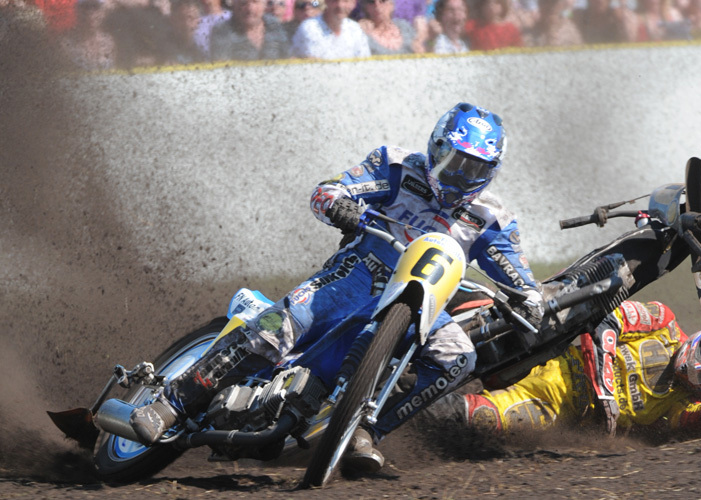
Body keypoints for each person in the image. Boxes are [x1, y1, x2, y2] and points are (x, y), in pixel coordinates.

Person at [129, 102, 544, 474]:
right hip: (357, 274)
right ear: (436, 148)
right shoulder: (397, 166)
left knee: (460, 356)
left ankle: (365, 430)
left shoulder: (493, 218)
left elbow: (521, 279)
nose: (460, 175)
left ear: (491, 172)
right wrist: (339, 204)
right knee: (278, 326)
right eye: (454, 161)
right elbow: (328, 190)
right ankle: (170, 404)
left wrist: (532, 301)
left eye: (474, 168)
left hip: (425, 302)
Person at [427, 300, 701, 442]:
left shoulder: (682, 405)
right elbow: (611, 318)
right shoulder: (663, 322)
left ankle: (400, 420)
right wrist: (604, 385)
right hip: (548, 345)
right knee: (481, 313)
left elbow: (700, 424)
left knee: (480, 418)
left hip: (554, 402)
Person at [210, 0, 290, 60]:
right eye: (243, 3)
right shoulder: (222, 31)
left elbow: (288, 59)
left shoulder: (274, 25)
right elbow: (222, 69)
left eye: (255, 2)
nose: (250, 9)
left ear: (264, 4)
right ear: (234, 5)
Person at [291, 0, 371, 58]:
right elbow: (315, 65)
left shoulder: (355, 30)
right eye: (334, 0)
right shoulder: (310, 28)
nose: (340, 5)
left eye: (345, 1)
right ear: (326, 1)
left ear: (353, 3)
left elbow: (364, 64)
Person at [60, 0, 116, 70]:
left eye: (95, 7)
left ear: (103, 11)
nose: (90, 13)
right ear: (77, 10)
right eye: (85, 7)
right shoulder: (66, 45)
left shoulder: (114, 42)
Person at [358, 0, 423, 55]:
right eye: (371, 2)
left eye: (382, 1)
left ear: (391, 4)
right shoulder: (363, 32)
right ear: (365, 7)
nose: (377, 6)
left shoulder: (404, 26)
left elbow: (421, 54)